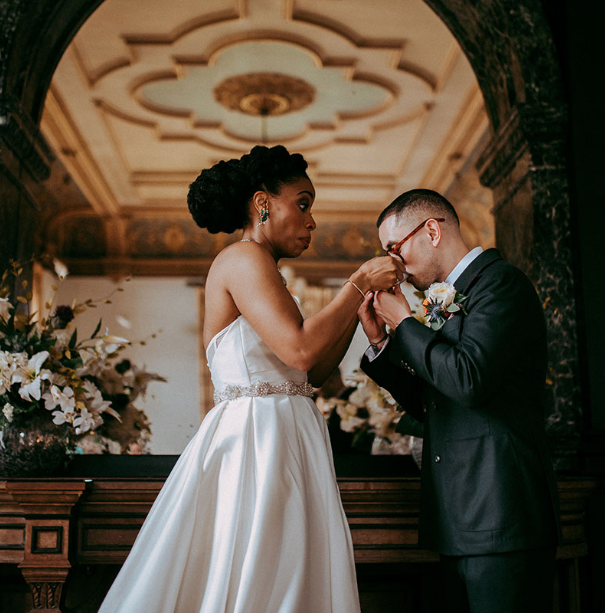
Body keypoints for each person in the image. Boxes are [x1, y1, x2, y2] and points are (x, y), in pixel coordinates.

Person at [97, 145, 404, 613]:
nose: (311, 220)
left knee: (286, 570)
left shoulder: (269, 274)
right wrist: (359, 280)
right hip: (257, 440)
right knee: (263, 571)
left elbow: (313, 369)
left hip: (288, 433)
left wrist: (354, 317)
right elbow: (300, 347)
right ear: (263, 203)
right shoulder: (243, 258)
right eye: (302, 203)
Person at [357, 189, 560, 612]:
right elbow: (437, 403)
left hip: (501, 512)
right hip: (458, 517)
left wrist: (405, 323)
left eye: (395, 249)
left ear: (432, 230)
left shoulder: (501, 284)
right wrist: (381, 341)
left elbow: (469, 379)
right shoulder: (442, 300)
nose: (394, 264)